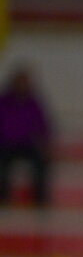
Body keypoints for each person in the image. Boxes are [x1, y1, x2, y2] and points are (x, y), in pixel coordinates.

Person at [0, 64, 52, 206]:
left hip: (28, 145)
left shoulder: (34, 103)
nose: (23, 85)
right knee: (2, 164)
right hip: (5, 145)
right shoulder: (3, 101)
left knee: (42, 162)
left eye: (25, 81)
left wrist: (46, 146)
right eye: (20, 81)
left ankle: (40, 200)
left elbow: (44, 127)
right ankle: (3, 198)